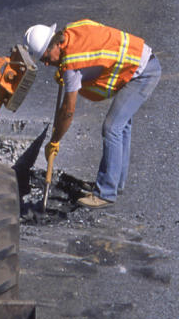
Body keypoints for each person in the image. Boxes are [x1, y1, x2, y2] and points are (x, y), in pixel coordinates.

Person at [24, 19, 161, 208]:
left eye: (46, 58)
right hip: (140, 59)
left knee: (112, 128)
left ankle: (106, 193)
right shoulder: (72, 31)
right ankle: (114, 183)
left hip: (143, 73)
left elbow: (68, 111)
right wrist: (63, 68)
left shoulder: (72, 65)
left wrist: (55, 140)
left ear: (54, 44)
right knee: (121, 126)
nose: (47, 64)